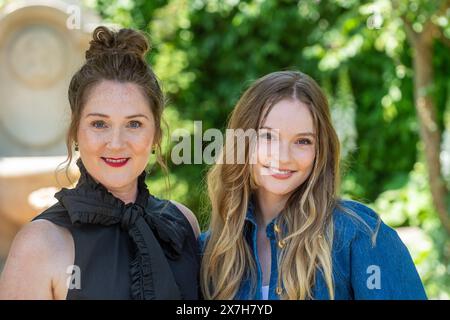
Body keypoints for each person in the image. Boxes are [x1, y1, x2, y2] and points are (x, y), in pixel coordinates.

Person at [0, 26, 200, 300]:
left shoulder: (182, 224)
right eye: (99, 123)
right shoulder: (40, 244)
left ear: (155, 134)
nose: (116, 143)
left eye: (134, 123)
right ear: (75, 131)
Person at [200, 70, 427, 300]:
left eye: (302, 141)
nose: (283, 156)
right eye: (268, 136)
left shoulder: (360, 236)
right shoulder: (210, 250)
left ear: (320, 150)